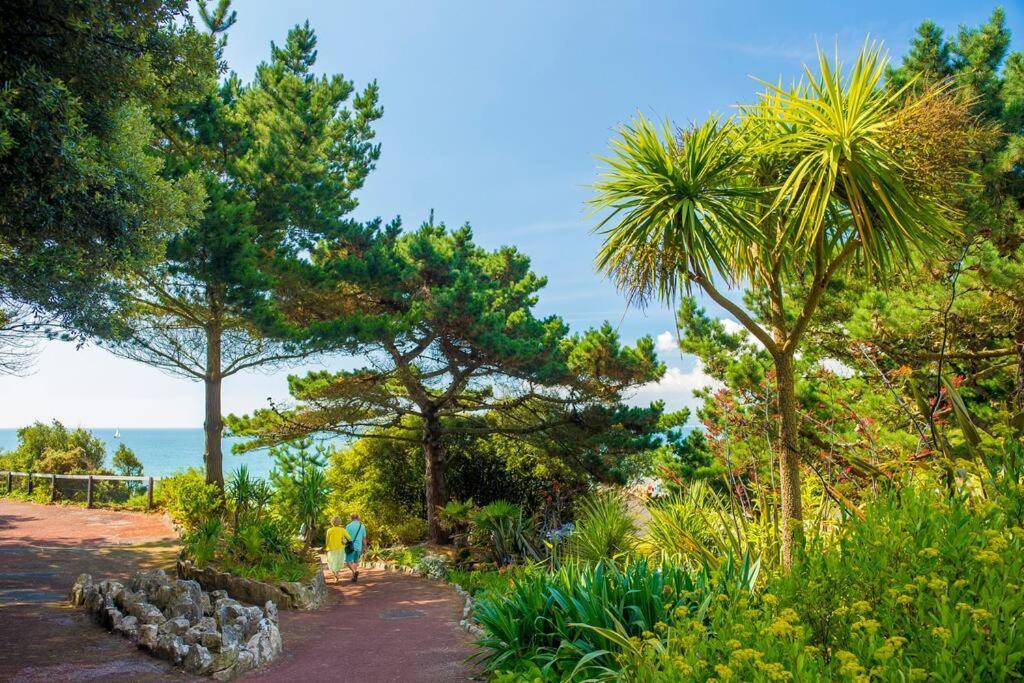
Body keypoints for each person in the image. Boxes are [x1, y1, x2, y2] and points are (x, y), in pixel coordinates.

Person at [324, 516, 351, 584]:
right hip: (340, 548)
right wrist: (343, 539)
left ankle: (335, 575)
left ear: (332, 522)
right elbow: (349, 538)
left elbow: (327, 541)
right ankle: (337, 576)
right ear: (339, 522)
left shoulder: (329, 530)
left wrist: (326, 547)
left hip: (331, 548)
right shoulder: (342, 530)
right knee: (338, 562)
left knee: (331, 562)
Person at [345, 513, 367, 583]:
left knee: (348, 561)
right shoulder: (362, 526)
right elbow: (364, 538)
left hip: (350, 546)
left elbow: (345, 537)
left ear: (351, 518)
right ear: (358, 518)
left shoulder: (348, 526)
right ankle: (354, 575)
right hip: (358, 547)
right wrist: (365, 547)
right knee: (355, 562)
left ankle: (354, 572)